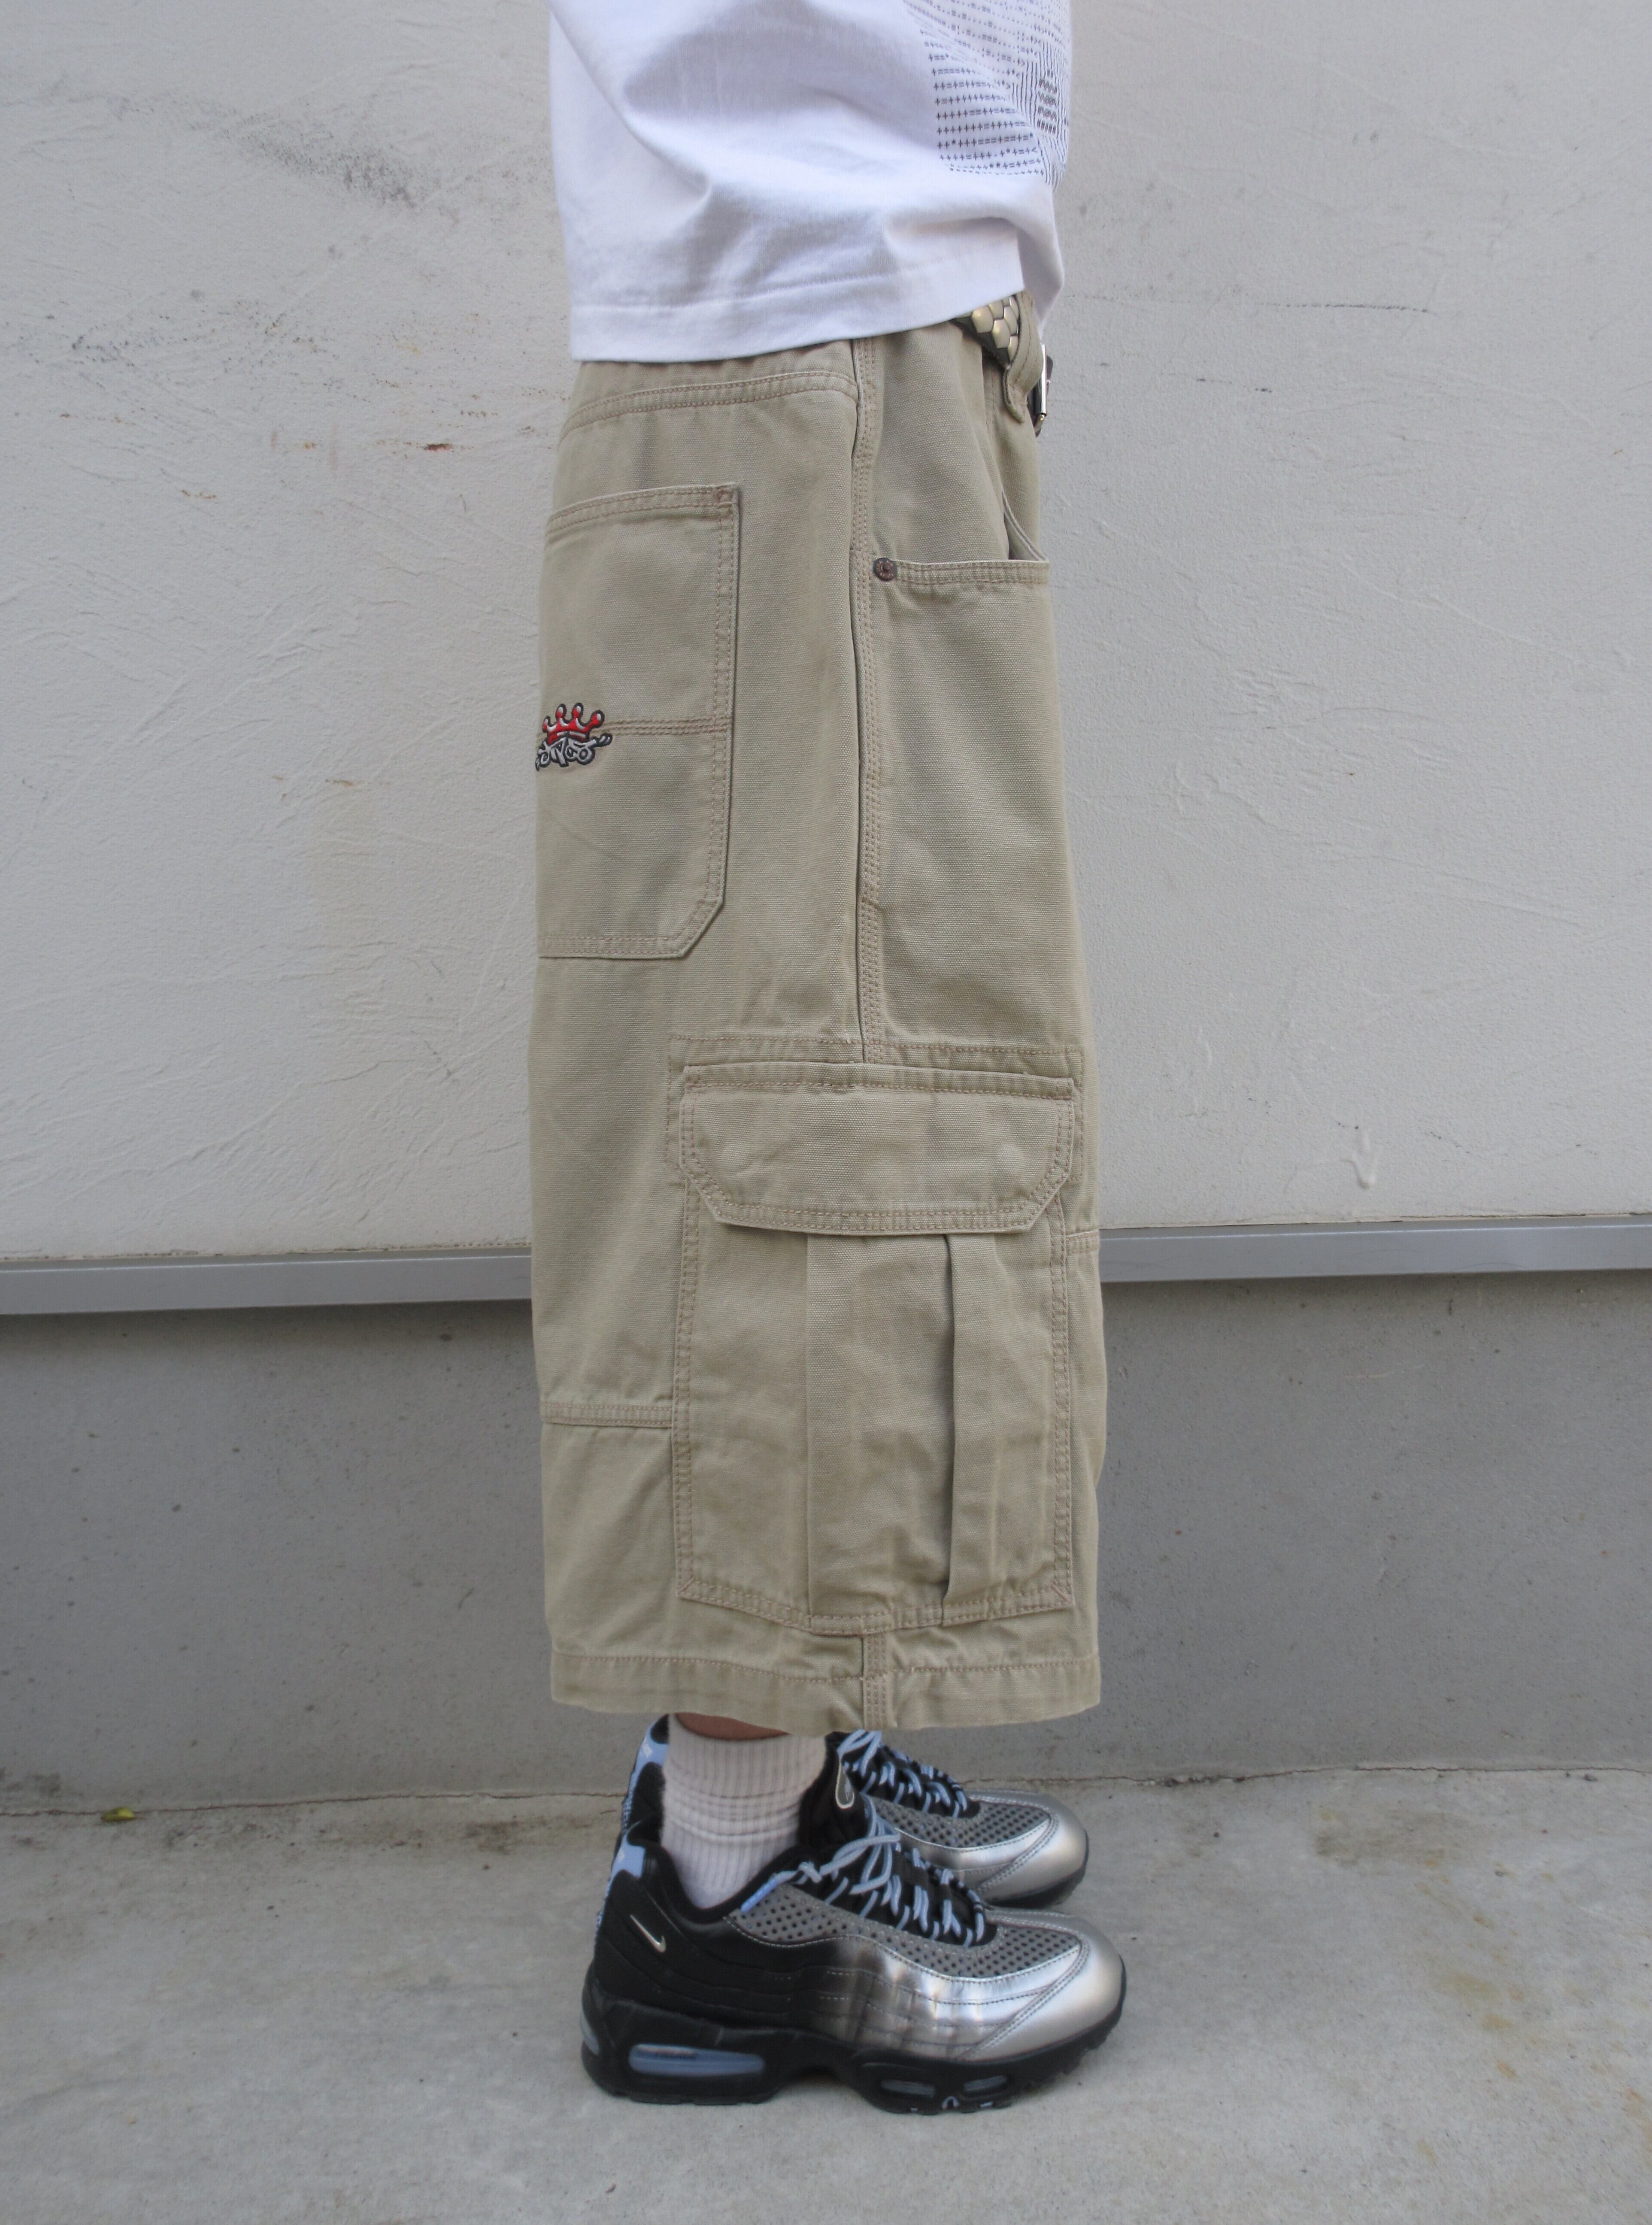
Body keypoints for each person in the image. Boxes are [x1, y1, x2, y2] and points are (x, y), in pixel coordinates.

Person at [529, 0, 1123, 2112]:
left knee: (821, 1077)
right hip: (820, 351)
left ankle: (776, 1754)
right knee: (824, 1113)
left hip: (824, 344)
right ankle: (731, 1893)